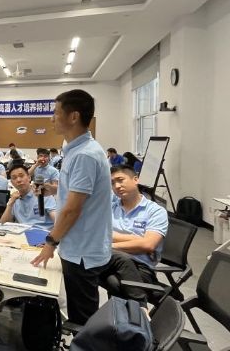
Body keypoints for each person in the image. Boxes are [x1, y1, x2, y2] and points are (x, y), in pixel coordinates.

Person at [31, 89, 113, 325]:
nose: (52, 119)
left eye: (56, 113)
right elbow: (79, 193)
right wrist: (53, 189)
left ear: (74, 116)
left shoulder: (85, 155)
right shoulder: (77, 150)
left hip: (82, 251)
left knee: (82, 319)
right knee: (79, 311)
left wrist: (50, 242)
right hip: (78, 246)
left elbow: (72, 210)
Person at [100, 165, 168, 305]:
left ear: (135, 179)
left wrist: (109, 245)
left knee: (114, 282)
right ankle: (138, 311)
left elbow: (148, 245)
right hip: (108, 261)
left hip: (141, 267)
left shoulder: (155, 211)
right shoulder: (111, 207)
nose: (117, 186)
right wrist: (137, 240)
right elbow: (99, 233)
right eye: (112, 183)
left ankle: (135, 311)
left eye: (120, 180)